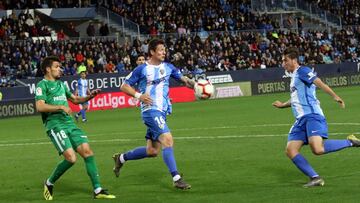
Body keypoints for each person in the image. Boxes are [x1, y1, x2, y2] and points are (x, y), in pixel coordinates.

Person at [112, 38, 195, 189]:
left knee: (152, 151)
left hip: (161, 112)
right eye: (161, 50)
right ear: (152, 52)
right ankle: (176, 179)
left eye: (164, 49)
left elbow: (185, 81)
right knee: (168, 139)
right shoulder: (142, 69)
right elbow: (124, 86)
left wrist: (199, 86)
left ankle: (121, 158)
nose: (164, 52)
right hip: (150, 111)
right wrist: (139, 96)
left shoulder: (168, 67)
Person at [272, 47, 360, 188]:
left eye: (285, 60)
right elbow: (296, 99)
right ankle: (315, 178)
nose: (283, 64)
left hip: (312, 115)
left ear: (294, 60)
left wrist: (335, 96)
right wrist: (282, 105)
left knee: (317, 149)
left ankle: (350, 142)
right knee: (290, 150)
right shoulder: (294, 76)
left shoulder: (302, 71)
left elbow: (319, 83)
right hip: (300, 120)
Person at [35, 56, 115, 200]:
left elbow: (75, 99)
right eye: (56, 66)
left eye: (60, 66)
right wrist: (60, 106)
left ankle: (97, 190)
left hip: (69, 123)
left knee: (87, 152)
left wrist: (90, 97)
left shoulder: (62, 85)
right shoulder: (42, 85)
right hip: (55, 125)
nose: (60, 69)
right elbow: (40, 106)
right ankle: (49, 182)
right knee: (71, 158)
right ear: (48, 69)